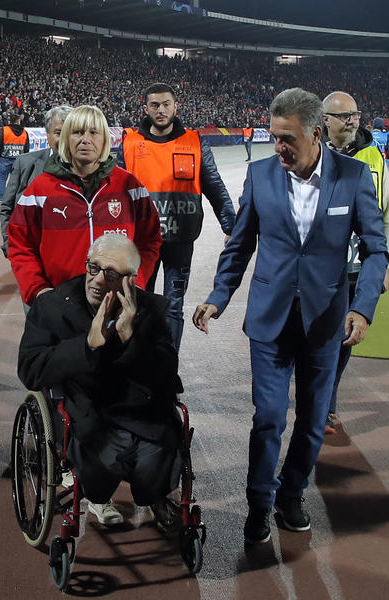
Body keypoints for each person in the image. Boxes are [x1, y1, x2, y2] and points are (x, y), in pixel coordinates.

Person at [192, 88, 388, 545]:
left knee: (314, 419)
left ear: (316, 133)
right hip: (270, 319)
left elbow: (377, 249)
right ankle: (259, 503)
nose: (278, 147)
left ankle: (292, 493)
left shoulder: (354, 176)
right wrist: (219, 296)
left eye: (288, 139)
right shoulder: (260, 175)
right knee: (268, 417)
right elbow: (240, 244)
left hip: (326, 322)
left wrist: (362, 308)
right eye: (274, 137)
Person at [18, 234, 182, 525]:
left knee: (154, 475)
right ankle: (102, 496)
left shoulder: (151, 310)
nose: (97, 280)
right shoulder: (53, 307)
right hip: (91, 421)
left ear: (130, 280)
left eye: (111, 274)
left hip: (146, 418)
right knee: (98, 480)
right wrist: (86, 347)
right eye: (93, 268)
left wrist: (130, 338)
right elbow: (30, 369)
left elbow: (168, 376)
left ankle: (154, 495)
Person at [8, 104, 161, 307]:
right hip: (59, 305)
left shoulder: (130, 186)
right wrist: (39, 290)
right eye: (77, 132)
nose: (85, 139)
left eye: (93, 132)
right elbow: (20, 245)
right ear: (66, 138)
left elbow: (150, 240)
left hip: (117, 303)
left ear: (105, 139)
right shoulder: (40, 189)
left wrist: (136, 281)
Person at [120, 82, 235, 351]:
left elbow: (215, 187)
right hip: (141, 244)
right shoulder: (129, 142)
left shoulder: (195, 142)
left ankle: (167, 370)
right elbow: (115, 191)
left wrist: (231, 226)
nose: (161, 110)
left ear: (175, 107)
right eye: (155, 105)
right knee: (138, 305)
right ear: (146, 108)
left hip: (180, 240)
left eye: (166, 104)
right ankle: (139, 368)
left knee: (173, 308)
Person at [322, 91, 389, 434]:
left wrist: (385, 263)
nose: (351, 121)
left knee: (345, 336)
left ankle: (326, 405)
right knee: (318, 336)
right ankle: (318, 398)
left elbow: (385, 212)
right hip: (319, 267)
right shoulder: (314, 154)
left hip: (357, 266)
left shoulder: (374, 157)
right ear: (325, 120)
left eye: (355, 115)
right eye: (343, 116)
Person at [0, 105, 73, 258]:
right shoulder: (25, 163)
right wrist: (10, 245)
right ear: (47, 134)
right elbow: (7, 208)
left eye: (71, 132)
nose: (65, 139)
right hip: (32, 258)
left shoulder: (88, 170)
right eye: (59, 133)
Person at [0, 113, 29, 203]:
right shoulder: (24, 132)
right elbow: (26, 149)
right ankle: (16, 198)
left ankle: (1, 198)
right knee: (17, 180)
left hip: (5, 159)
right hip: (18, 160)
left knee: (2, 179)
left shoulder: (5, 130)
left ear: (10, 121)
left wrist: (0, 155)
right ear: (18, 121)